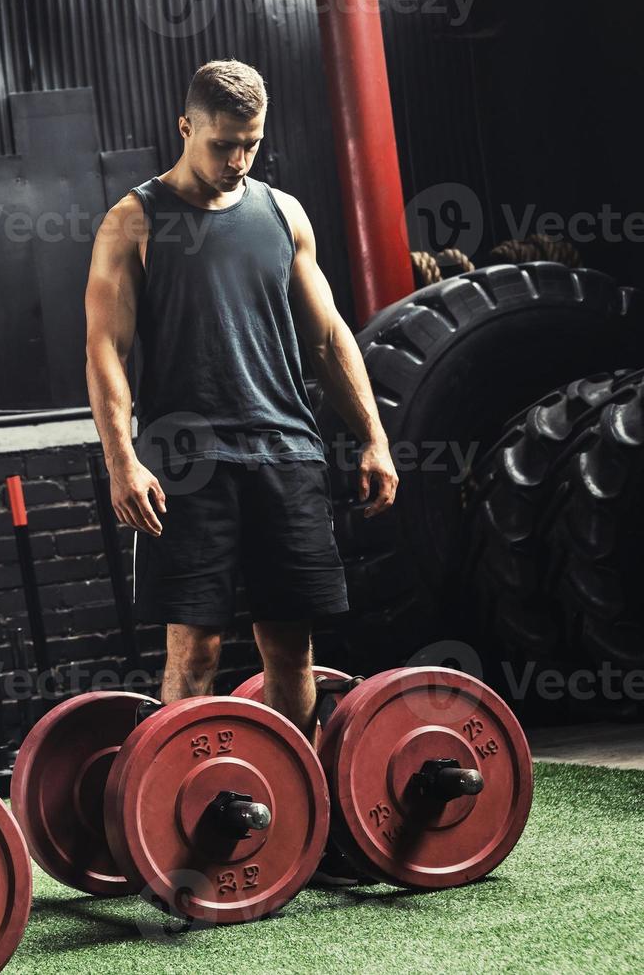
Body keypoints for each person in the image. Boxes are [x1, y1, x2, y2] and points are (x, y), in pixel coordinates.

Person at [85, 59, 399, 879]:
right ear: (186, 126)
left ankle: (293, 821)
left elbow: (329, 338)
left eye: (252, 145)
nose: (239, 161)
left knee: (288, 650)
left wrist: (373, 435)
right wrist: (122, 458)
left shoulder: (281, 213)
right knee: (194, 648)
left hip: (285, 452)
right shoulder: (134, 219)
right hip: (186, 468)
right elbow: (107, 353)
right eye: (225, 144)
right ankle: (182, 823)